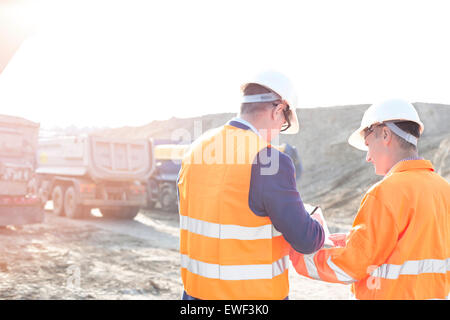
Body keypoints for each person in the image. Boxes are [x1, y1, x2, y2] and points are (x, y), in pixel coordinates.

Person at [177, 71, 325, 300]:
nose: (279, 131)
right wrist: (317, 223)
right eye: (283, 124)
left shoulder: (196, 149)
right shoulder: (269, 160)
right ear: (278, 110)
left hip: (196, 294)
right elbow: (305, 239)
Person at [289, 99, 450, 300]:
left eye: (368, 144)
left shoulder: (386, 192)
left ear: (385, 134)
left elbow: (353, 265)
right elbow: (406, 247)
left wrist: (300, 256)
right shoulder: (443, 190)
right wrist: (342, 240)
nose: (367, 157)